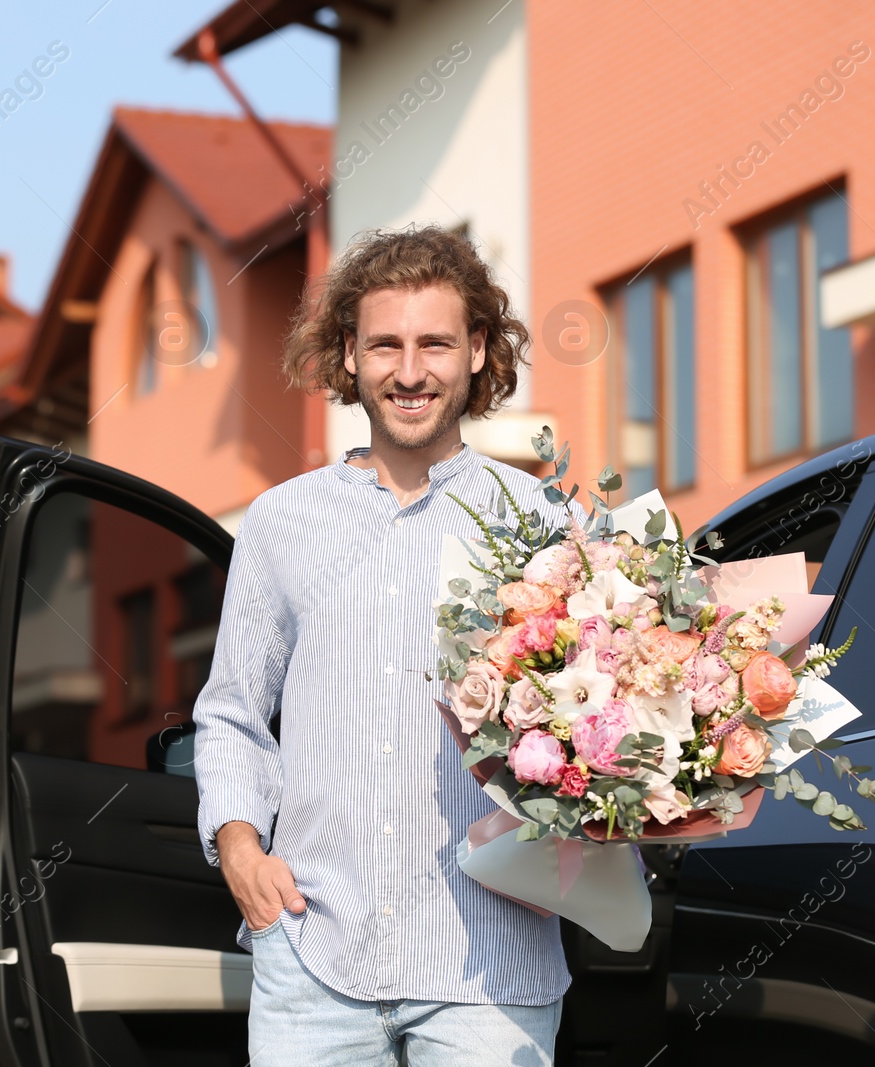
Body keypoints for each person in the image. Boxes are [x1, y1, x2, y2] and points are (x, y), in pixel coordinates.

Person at [193, 226, 572, 1065]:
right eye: (384, 345)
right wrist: (240, 849)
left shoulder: (546, 523)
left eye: (435, 342)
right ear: (350, 357)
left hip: (492, 960)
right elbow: (231, 714)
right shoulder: (282, 523)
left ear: (477, 350)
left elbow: (599, 717)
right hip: (313, 953)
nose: (409, 371)